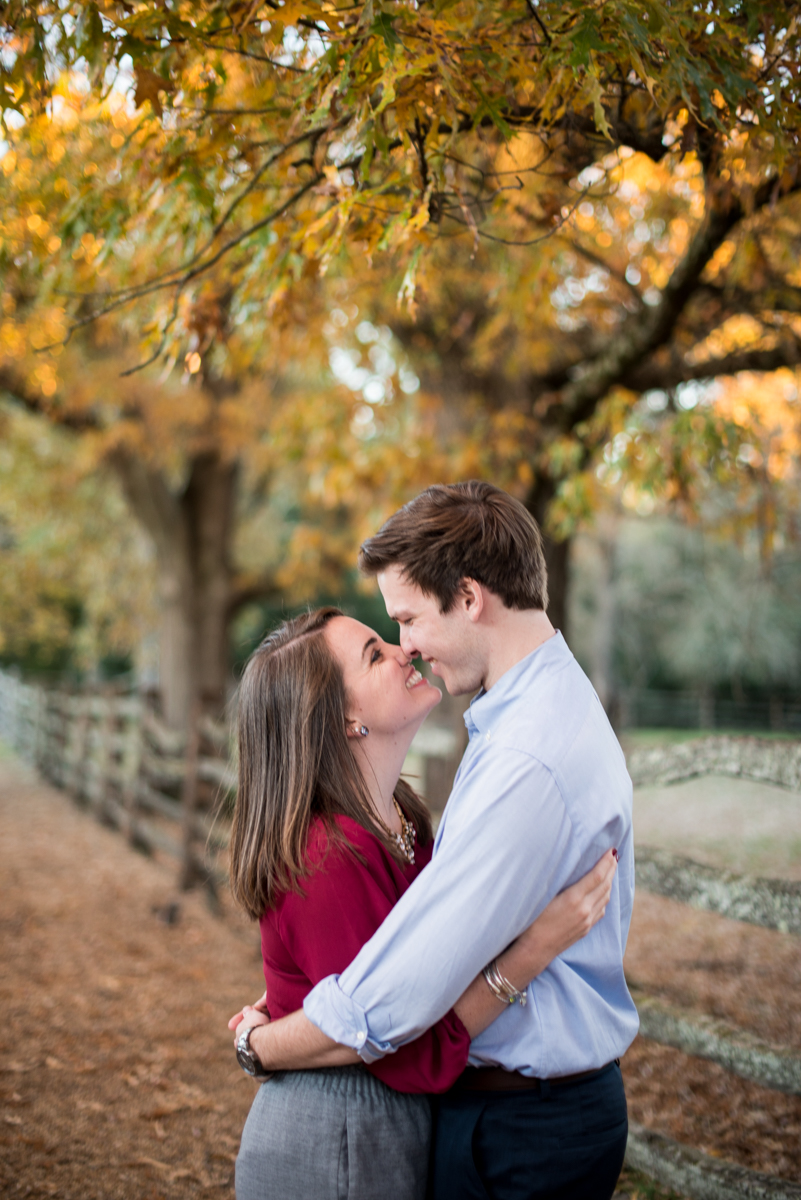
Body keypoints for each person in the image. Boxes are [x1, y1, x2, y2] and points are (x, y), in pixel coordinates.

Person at [233, 481, 638, 1200]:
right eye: (381, 642)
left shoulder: (519, 760)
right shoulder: (513, 724)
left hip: (516, 1125)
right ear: (341, 718)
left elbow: (388, 1004)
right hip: (363, 1133)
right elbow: (392, 1004)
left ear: (469, 597)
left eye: (407, 619)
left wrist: (261, 1043)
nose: (405, 646)